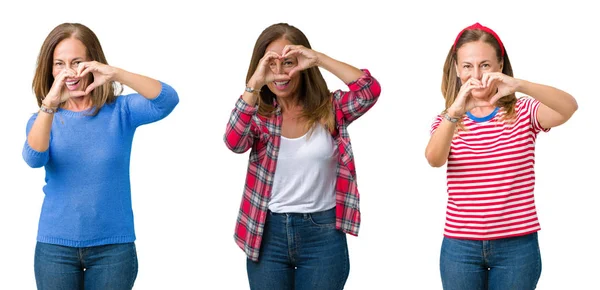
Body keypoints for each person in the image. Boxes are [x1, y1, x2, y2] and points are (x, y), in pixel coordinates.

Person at [223, 23, 381, 290]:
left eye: (288, 63)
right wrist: (253, 83)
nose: (280, 73)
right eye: (271, 65)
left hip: (323, 234)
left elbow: (369, 90)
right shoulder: (259, 115)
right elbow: (234, 142)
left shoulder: (331, 108)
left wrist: (318, 58)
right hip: (267, 233)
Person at [23, 23, 179, 290]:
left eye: (77, 62)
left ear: (93, 62)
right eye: (59, 64)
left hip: (113, 250)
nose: (69, 72)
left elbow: (167, 100)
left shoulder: (121, 111)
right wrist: (49, 104)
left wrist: (116, 73)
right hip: (55, 249)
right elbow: (34, 158)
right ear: (50, 69)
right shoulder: (43, 120)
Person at [425, 22, 578, 290]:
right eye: (467, 66)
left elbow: (568, 107)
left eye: (485, 65)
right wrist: (455, 110)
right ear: (457, 70)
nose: (476, 74)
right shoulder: (448, 121)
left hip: (517, 248)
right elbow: (434, 159)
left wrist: (520, 85)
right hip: (460, 248)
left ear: (499, 65)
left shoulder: (524, 112)